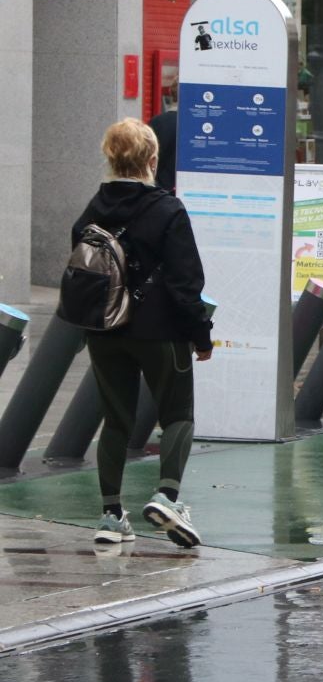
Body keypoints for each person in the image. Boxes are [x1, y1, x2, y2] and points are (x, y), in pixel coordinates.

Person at [65, 119, 213, 548]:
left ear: (111, 157)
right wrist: (201, 336)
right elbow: (187, 284)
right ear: (152, 160)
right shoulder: (168, 210)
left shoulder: (92, 209)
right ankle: (167, 496)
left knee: (116, 419)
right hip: (161, 330)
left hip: (106, 329)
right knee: (177, 415)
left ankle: (111, 516)